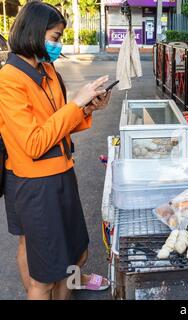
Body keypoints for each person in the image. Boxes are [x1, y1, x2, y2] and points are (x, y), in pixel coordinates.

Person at [0, 2, 111, 300]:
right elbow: (35, 142)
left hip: (61, 172)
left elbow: (56, 124)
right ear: (34, 32)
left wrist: (86, 107)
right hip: (35, 182)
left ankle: (66, 287)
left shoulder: (47, 69)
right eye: (55, 36)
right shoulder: (9, 79)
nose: (58, 44)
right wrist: (75, 105)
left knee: (74, 254)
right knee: (46, 275)